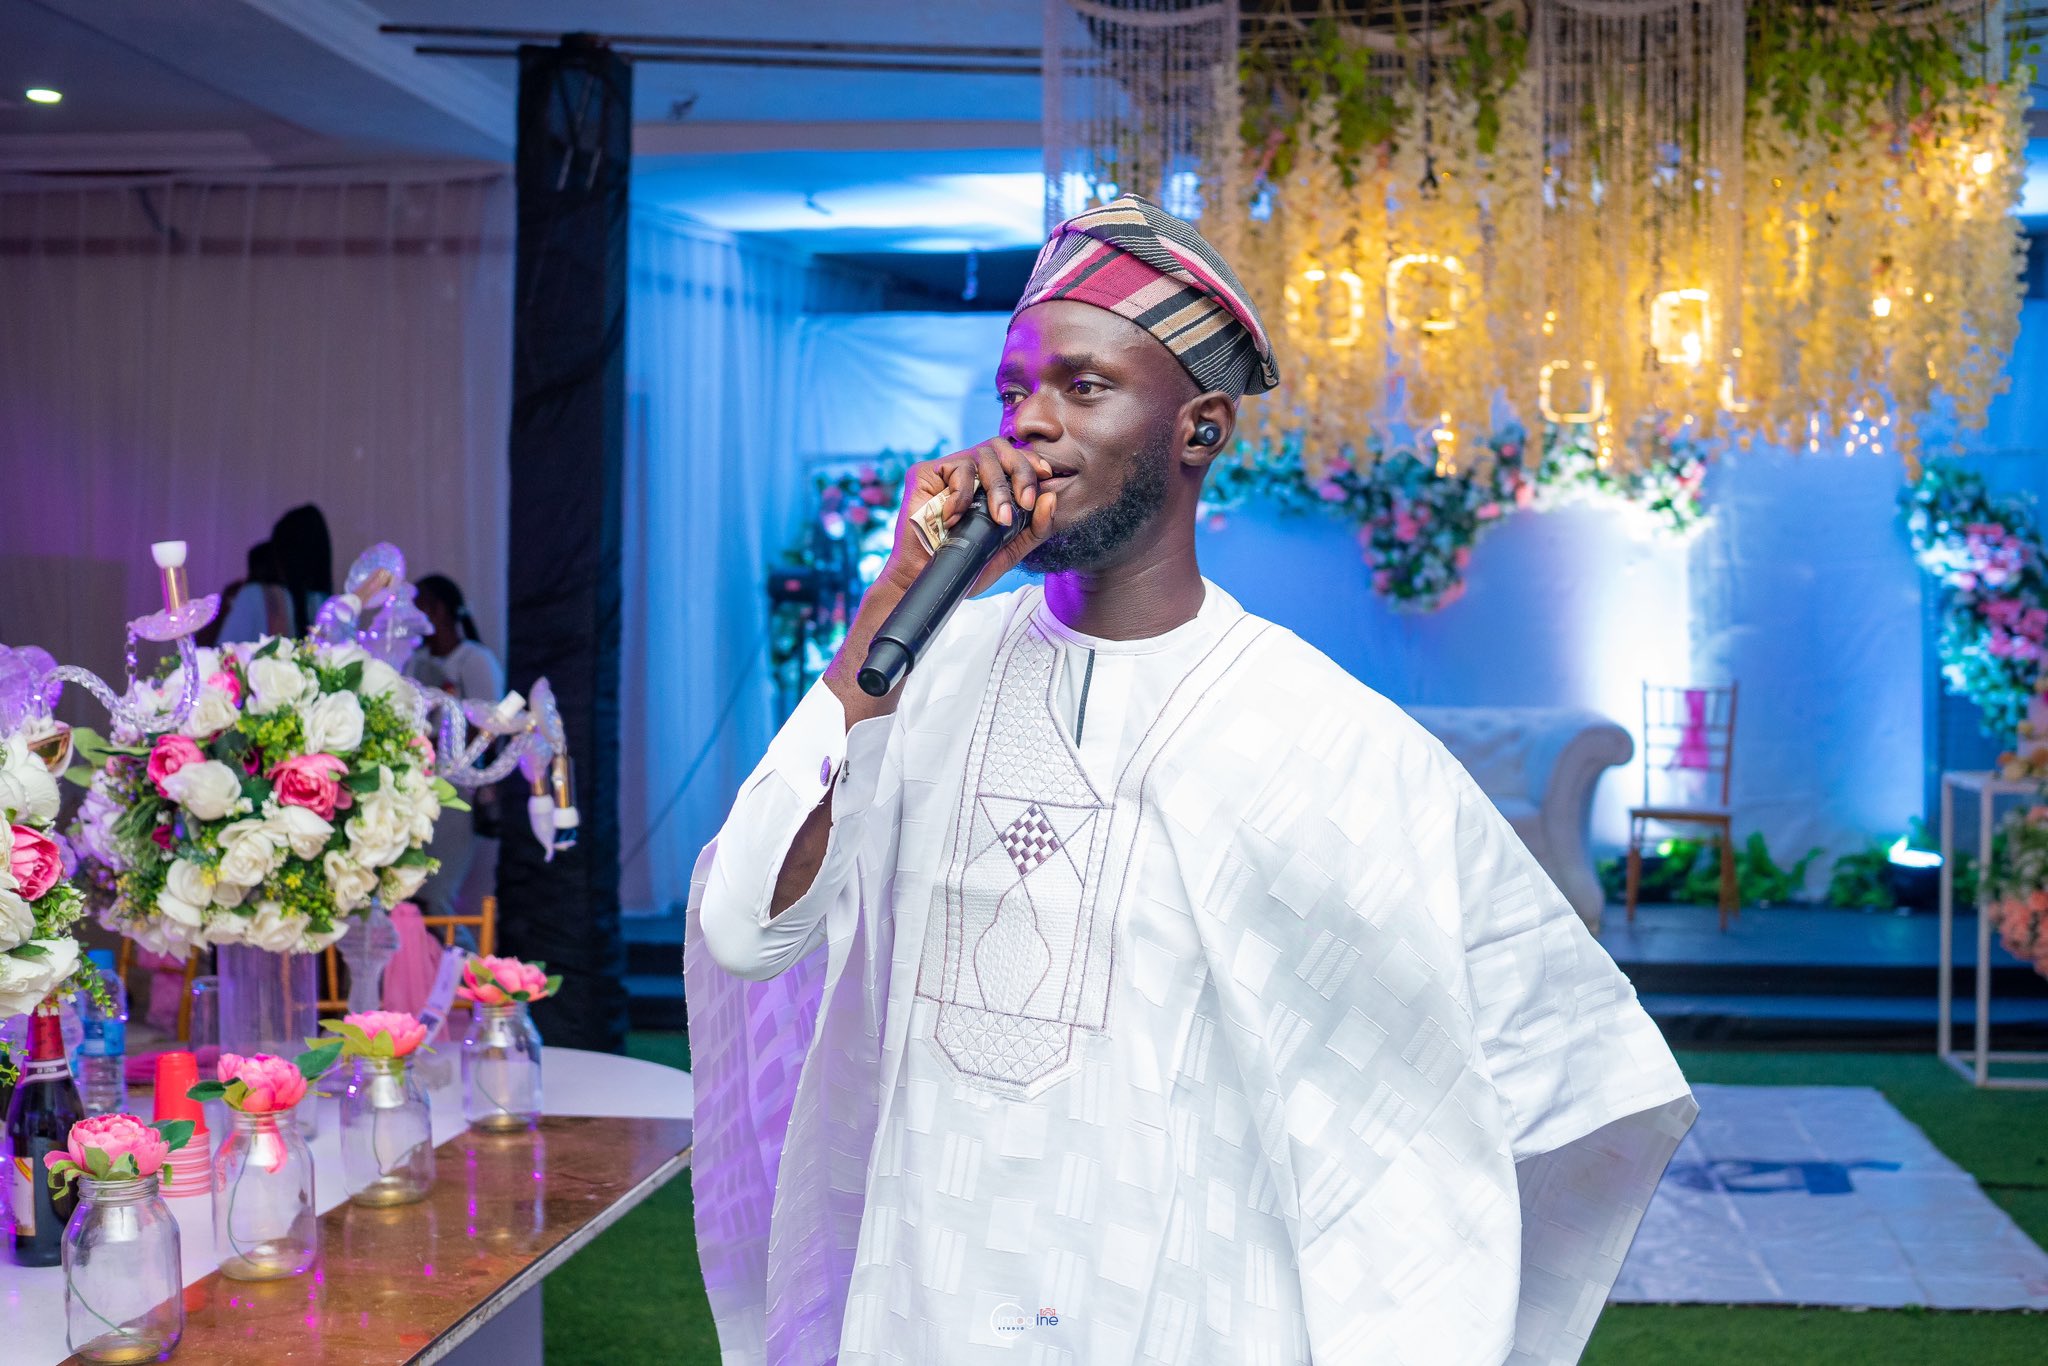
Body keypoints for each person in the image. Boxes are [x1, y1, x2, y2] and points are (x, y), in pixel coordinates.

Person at [690, 196, 1695, 1365]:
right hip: (928, 1305)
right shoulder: (913, 671)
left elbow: (1556, 1057)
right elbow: (745, 929)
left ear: (1198, 428)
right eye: (1013, 393)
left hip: (1188, 1311)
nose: (1031, 425)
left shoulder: (1319, 732)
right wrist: (889, 605)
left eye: (1084, 386)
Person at [405, 574, 504, 916]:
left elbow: (490, 727)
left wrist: (434, 742)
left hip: (457, 789)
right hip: (416, 788)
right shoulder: (415, 661)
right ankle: (423, 952)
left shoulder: (473, 660)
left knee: (437, 893)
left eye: (418, 608)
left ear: (440, 611)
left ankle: (461, 952)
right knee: (411, 896)